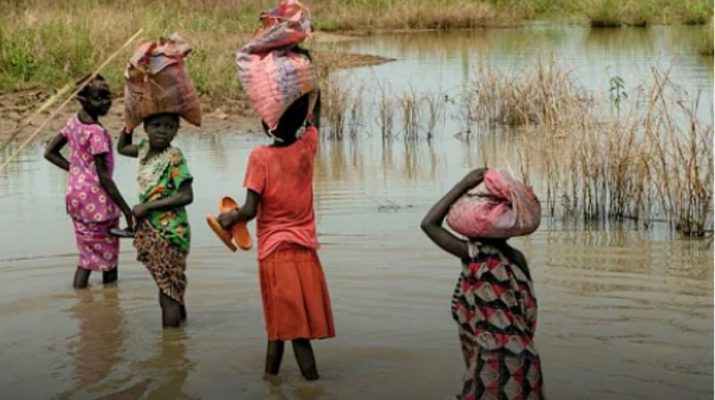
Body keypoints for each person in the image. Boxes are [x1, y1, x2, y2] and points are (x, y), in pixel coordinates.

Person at [217, 93, 335, 381]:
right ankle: (271, 380)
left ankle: (310, 385)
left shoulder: (260, 157)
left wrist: (229, 218)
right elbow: (314, 117)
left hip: (276, 256)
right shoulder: (307, 146)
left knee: (294, 333)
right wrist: (309, 89)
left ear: (266, 123)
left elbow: (250, 210)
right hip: (306, 254)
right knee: (279, 327)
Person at [421, 168, 544, 399]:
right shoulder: (516, 259)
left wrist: (463, 183)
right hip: (527, 360)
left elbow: (429, 224)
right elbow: (527, 307)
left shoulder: (475, 254)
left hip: (491, 361)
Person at [44, 75, 133, 288]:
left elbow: (50, 152)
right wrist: (127, 211)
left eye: (107, 97)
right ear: (83, 99)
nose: (105, 102)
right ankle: (110, 304)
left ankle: (82, 299)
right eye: (98, 98)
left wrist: (77, 171)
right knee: (108, 257)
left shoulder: (73, 122)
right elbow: (103, 177)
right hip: (97, 201)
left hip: (77, 198)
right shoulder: (96, 133)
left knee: (86, 255)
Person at [117, 113, 193, 327]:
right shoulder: (143, 149)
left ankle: (171, 350)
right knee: (172, 287)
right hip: (152, 228)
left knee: (167, 293)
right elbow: (122, 148)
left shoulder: (174, 157)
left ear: (176, 130)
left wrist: (147, 207)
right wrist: (129, 124)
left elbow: (186, 196)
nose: (162, 131)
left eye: (169, 126)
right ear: (146, 127)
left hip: (171, 233)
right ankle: (180, 333)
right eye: (156, 125)